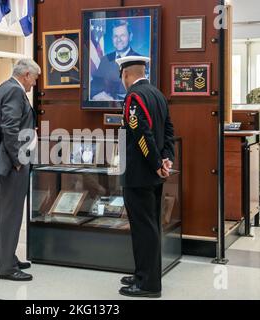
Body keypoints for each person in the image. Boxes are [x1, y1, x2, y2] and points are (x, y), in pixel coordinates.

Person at [116, 55, 175, 298]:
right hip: (154, 173)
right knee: (149, 226)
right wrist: (166, 159)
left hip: (140, 174)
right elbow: (169, 129)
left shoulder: (134, 97)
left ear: (126, 74)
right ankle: (143, 273)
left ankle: (148, 284)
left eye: (121, 76)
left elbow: (141, 134)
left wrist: (154, 164)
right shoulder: (157, 94)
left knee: (144, 228)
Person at [0, 59, 41, 281]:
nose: (33, 84)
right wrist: (18, 159)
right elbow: (9, 127)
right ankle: (6, 267)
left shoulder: (3, 88)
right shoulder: (15, 91)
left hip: (1, 163)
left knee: (6, 214)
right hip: (10, 165)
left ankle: (9, 257)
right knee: (10, 215)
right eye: (34, 79)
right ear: (26, 74)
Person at [90, 19, 142, 101]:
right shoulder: (105, 60)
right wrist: (96, 95)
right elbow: (95, 85)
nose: (118, 39)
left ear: (130, 36)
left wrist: (113, 98)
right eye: (115, 36)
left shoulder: (139, 61)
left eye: (122, 35)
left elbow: (141, 92)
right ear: (112, 38)